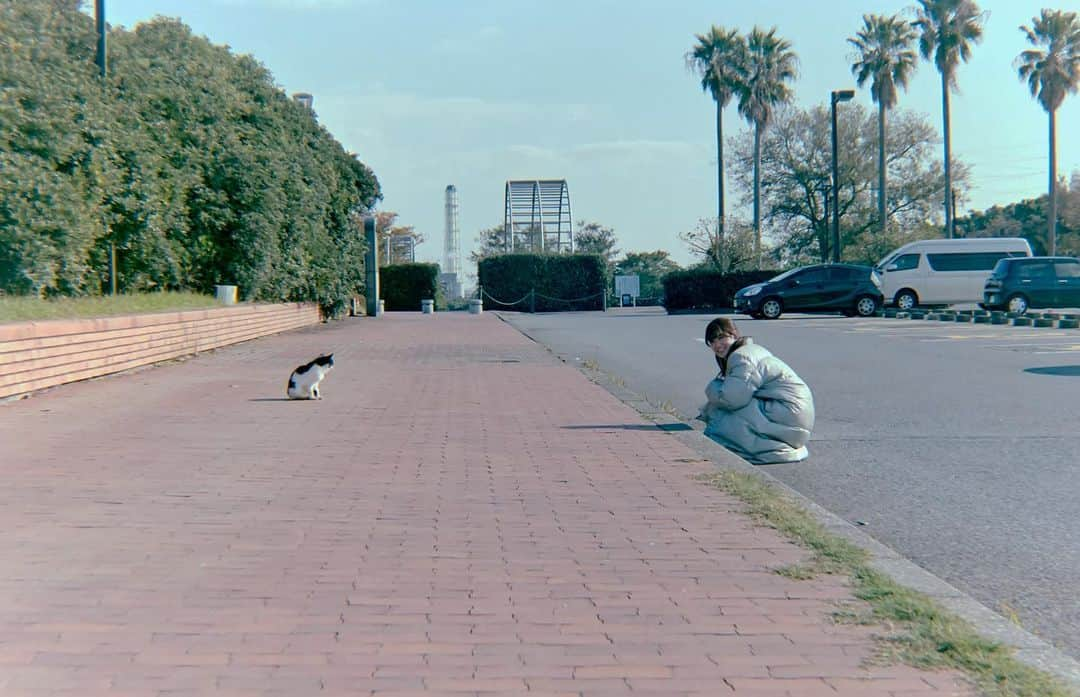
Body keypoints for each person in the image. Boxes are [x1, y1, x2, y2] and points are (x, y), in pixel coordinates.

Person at [699, 317, 815, 464]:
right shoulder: (748, 352)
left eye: (721, 337)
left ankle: (753, 448)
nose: (717, 345)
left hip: (788, 414)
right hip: (794, 414)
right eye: (712, 341)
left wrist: (712, 387)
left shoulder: (742, 357)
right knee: (721, 407)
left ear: (734, 335)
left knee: (722, 411)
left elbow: (732, 399)